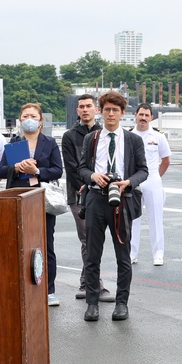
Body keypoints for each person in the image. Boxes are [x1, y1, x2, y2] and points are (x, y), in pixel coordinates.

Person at [77, 91, 149, 321]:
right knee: (92, 255)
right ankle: (92, 303)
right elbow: (81, 169)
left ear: (122, 113)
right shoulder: (92, 139)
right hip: (96, 199)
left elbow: (143, 170)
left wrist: (128, 182)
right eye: (106, 109)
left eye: (115, 110)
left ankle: (121, 303)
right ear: (100, 111)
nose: (110, 114)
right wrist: (92, 177)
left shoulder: (133, 139)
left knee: (123, 256)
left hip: (122, 200)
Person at [0, 103, 63, 305]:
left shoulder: (49, 143)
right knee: (19, 242)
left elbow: (58, 170)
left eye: (33, 115)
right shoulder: (14, 144)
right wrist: (16, 167)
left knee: (46, 243)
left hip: (42, 197)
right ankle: (20, 286)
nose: (29, 118)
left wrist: (38, 172)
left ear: (40, 120)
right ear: (20, 120)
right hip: (19, 196)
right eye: (25, 115)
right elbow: (0, 171)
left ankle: (49, 289)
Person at [62, 94, 114, 303]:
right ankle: (93, 285)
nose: (85, 110)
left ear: (96, 109)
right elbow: (71, 167)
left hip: (101, 193)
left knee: (94, 240)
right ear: (77, 111)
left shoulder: (104, 134)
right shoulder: (69, 136)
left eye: (88, 106)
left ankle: (86, 281)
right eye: (81, 107)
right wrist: (86, 184)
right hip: (78, 194)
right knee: (87, 238)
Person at [129, 104, 171, 266]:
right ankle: (132, 253)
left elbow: (166, 160)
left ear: (151, 117)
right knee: (133, 219)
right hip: (133, 180)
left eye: (147, 115)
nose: (143, 118)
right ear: (135, 115)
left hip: (152, 178)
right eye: (141, 114)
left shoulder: (158, 137)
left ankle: (158, 253)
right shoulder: (129, 135)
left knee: (156, 218)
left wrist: (156, 177)